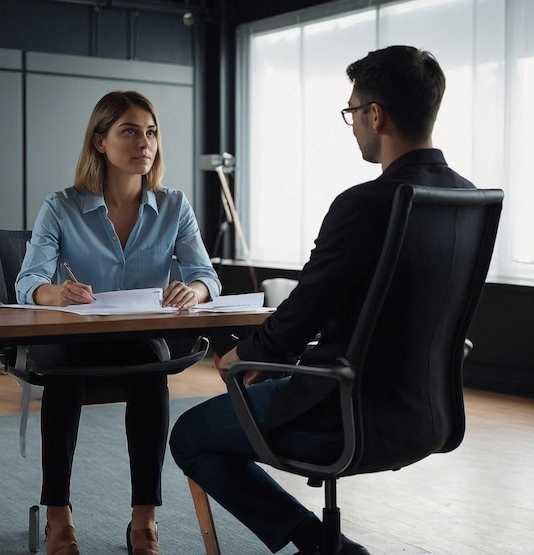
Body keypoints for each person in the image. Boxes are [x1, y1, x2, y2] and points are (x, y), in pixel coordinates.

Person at [169, 45, 475, 555]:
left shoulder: (362, 204)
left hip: (343, 410)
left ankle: (316, 543)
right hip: (430, 411)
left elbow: (305, 308)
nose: (352, 123)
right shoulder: (468, 200)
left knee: (190, 434)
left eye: (352, 111)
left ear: (375, 115)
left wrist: (245, 358)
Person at [15, 90, 221, 555]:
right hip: (72, 340)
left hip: (136, 341)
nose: (143, 142)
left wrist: (196, 290)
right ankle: (58, 517)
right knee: (64, 373)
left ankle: (144, 521)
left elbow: (206, 276)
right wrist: (54, 292)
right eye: (129, 131)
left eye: (150, 132)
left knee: (151, 369)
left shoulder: (174, 206)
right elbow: (28, 281)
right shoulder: (61, 206)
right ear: (100, 142)